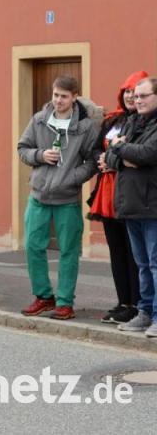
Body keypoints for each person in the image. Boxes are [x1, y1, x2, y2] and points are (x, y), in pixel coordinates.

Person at [17, 75, 100, 320]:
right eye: (55, 95)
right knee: (33, 246)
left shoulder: (86, 127)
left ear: (75, 97)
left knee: (69, 252)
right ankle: (44, 297)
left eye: (64, 96)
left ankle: (65, 302)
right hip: (39, 196)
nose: (58, 101)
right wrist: (41, 155)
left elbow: (93, 160)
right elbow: (22, 148)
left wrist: (73, 176)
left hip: (67, 199)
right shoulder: (40, 120)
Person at [89, 71, 147, 324]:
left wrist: (114, 161)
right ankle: (123, 301)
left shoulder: (143, 123)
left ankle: (137, 303)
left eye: (135, 92)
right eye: (126, 91)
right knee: (117, 251)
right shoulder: (112, 121)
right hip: (107, 192)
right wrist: (100, 161)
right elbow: (94, 149)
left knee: (135, 253)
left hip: (129, 192)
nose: (130, 96)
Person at [106, 76, 157, 337]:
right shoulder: (131, 121)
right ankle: (144, 312)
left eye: (143, 96)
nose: (137, 100)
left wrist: (122, 150)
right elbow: (110, 157)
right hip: (130, 204)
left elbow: (148, 153)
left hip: (152, 205)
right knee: (142, 264)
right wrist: (125, 154)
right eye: (135, 96)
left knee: (155, 263)